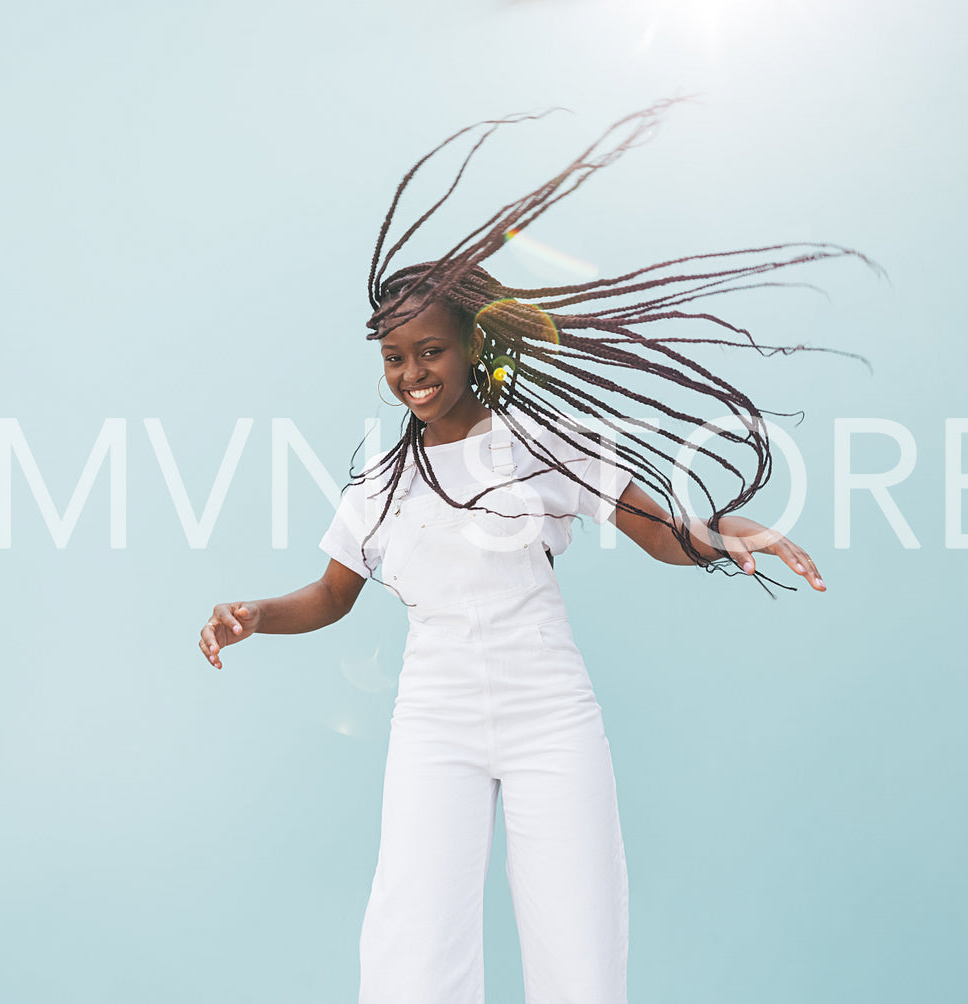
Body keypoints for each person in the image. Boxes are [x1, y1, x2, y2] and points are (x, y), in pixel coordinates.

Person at [199, 100, 872, 1004]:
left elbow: (651, 534)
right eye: (393, 358)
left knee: (579, 937)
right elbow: (329, 595)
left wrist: (718, 535)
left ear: (476, 343)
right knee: (412, 941)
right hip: (432, 723)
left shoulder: (546, 444)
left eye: (428, 350)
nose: (411, 374)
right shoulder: (378, 486)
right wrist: (253, 616)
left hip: (550, 713)